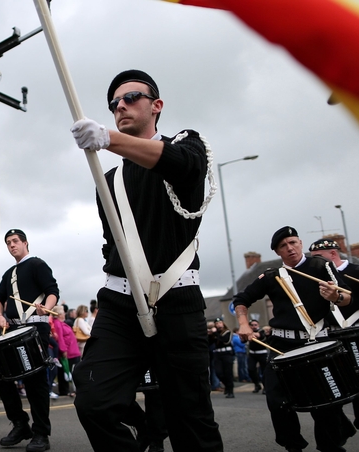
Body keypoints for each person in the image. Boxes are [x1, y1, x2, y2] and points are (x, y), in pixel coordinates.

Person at [70, 69, 223, 451]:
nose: (120, 105)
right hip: (120, 305)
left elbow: (183, 166)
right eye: (114, 103)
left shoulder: (188, 144)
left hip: (178, 302)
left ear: (156, 106)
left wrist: (109, 138)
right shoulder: (106, 177)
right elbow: (112, 244)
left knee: (190, 421)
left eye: (131, 97)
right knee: (94, 401)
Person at [234, 226, 353, 451]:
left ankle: (331, 446)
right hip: (282, 346)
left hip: (318, 342)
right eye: (283, 246)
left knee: (326, 402)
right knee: (277, 402)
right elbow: (241, 300)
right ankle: (293, 446)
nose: (290, 248)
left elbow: (346, 296)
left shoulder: (321, 266)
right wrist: (242, 323)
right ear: (278, 252)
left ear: (300, 243)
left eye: (293, 242)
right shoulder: (270, 276)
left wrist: (336, 296)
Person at [0, 229, 59, 451]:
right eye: (8, 243)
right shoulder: (9, 273)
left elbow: (52, 291)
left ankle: (41, 433)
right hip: (12, 330)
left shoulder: (37, 265)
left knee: (35, 381)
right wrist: (0, 315)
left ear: (25, 243)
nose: (11, 245)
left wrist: (46, 310)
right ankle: (20, 424)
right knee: (0, 375)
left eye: (15, 241)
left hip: (34, 328)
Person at [309, 238, 359, 428]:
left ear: (333, 254)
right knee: (332, 385)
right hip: (331, 337)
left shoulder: (356, 272)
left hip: (357, 334)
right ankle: (340, 428)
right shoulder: (313, 279)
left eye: (319, 257)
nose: (315, 262)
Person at [50, 306, 79, 397]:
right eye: (62, 312)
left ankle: (67, 390)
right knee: (66, 371)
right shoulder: (58, 324)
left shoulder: (61, 323)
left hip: (72, 350)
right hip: (68, 352)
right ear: (59, 314)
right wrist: (63, 350)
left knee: (69, 371)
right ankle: (65, 391)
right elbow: (60, 338)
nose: (64, 314)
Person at [208, 317, 234, 398]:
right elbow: (209, 343)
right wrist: (210, 335)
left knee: (228, 373)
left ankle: (230, 391)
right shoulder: (215, 334)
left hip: (227, 353)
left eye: (220, 323)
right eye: (217, 323)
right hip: (218, 354)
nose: (219, 325)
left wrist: (215, 333)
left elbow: (225, 340)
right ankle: (227, 385)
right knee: (219, 373)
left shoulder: (227, 332)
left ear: (223, 323)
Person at [246, 319, 268, 394]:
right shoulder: (248, 332)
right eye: (252, 325)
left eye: (255, 325)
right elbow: (243, 340)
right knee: (250, 369)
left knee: (264, 370)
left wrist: (254, 334)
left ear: (258, 325)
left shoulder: (261, 331)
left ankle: (266, 386)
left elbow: (261, 335)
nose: (254, 326)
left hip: (262, 353)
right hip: (252, 353)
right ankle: (257, 384)